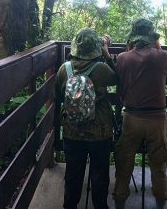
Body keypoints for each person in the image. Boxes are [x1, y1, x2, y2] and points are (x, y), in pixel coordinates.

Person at [113, 18, 167, 209]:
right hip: (157, 119)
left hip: (131, 118)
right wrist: (158, 48)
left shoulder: (123, 58)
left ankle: (120, 203)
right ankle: (160, 204)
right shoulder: (164, 56)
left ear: (133, 37)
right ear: (152, 37)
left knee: (124, 164)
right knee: (159, 165)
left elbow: (119, 81)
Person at [55, 28, 118, 209]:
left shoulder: (63, 69)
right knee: (99, 173)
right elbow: (119, 79)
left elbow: (59, 96)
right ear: (96, 49)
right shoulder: (102, 69)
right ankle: (100, 206)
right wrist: (107, 56)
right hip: (100, 131)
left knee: (73, 172)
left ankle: (70, 205)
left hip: (71, 130)